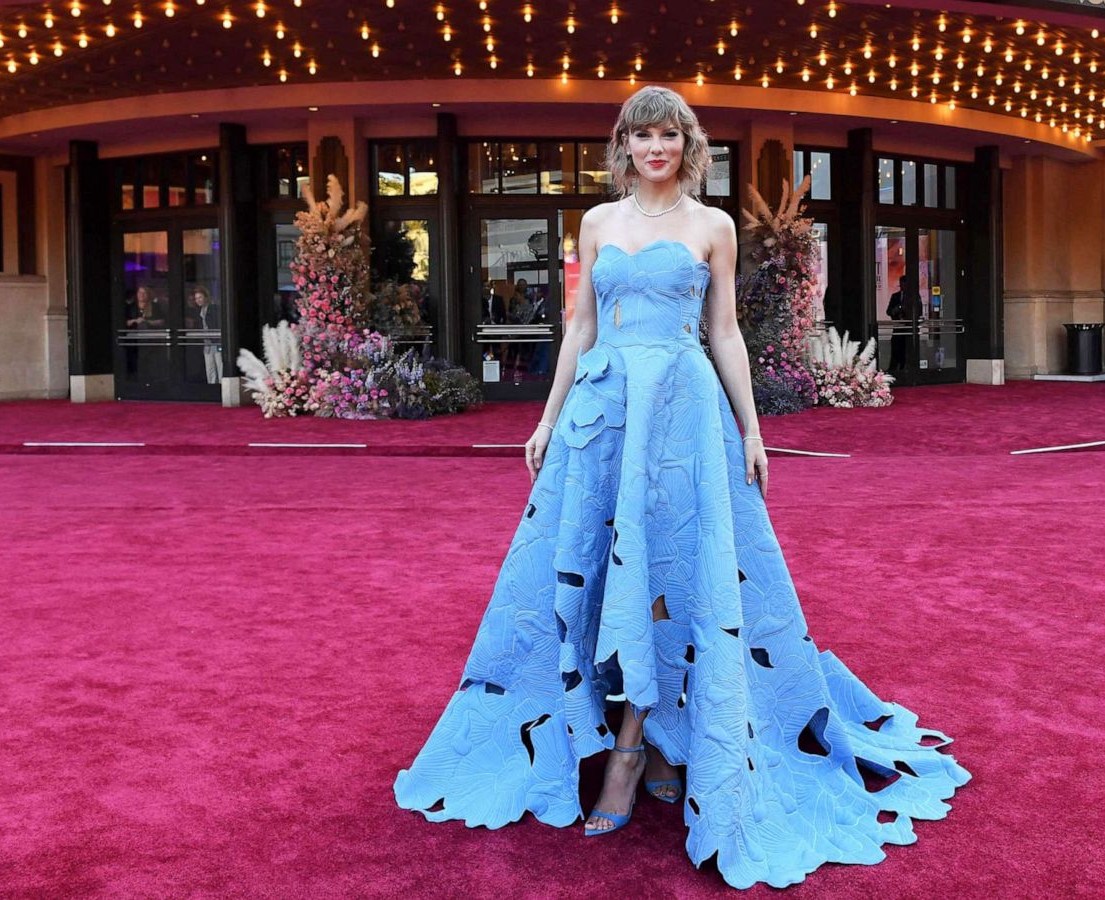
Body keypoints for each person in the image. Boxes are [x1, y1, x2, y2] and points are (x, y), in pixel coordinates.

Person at [390, 85, 971, 890]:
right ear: (624, 145)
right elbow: (582, 329)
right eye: (642, 135)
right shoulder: (597, 224)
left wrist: (753, 428)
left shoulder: (713, 225)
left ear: (686, 145)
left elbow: (723, 331)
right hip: (605, 415)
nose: (655, 148)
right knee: (596, 569)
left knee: (672, 572)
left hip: (683, 420)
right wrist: (548, 419)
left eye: (669, 135)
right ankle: (642, 734)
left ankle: (643, 745)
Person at [187, 285, 221, 385]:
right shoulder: (200, 311)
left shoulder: (213, 308)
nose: (198, 300)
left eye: (200, 297)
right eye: (196, 298)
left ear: (206, 297)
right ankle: (211, 388)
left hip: (216, 341)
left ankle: (220, 387)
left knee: (219, 366)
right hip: (207, 344)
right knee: (210, 368)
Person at [885, 275, 916, 374]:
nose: (902, 286)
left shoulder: (913, 296)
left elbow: (917, 310)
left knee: (906, 350)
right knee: (896, 349)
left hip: (909, 329)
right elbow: (888, 311)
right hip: (898, 328)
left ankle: (906, 369)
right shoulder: (895, 296)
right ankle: (893, 370)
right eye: (901, 284)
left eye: (905, 284)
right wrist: (896, 310)